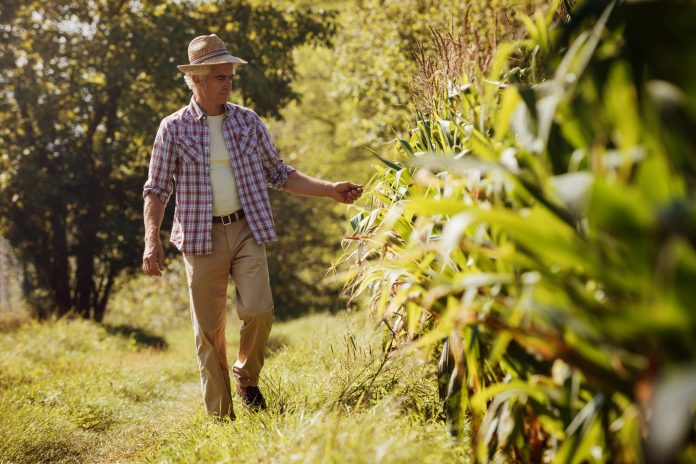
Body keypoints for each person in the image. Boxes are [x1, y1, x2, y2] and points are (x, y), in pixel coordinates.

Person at [141, 34, 362, 420]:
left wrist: (330, 190)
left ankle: (247, 377)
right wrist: (150, 241)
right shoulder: (172, 128)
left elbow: (279, 174)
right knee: (209, 332)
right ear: (198, 79)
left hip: (246, 229)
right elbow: (157, 189)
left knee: (259, 310)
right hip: (199, 236)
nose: (229, 83)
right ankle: (220, 417)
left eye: (230, 77)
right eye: (221, 77)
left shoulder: (247, 121)